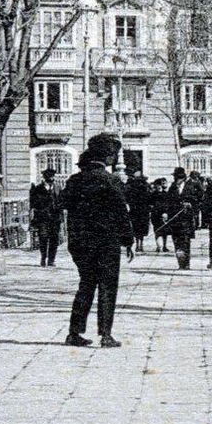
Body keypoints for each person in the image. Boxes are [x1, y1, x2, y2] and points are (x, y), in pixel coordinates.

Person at [61, 147, 134, 347]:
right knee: (107, 287)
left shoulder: (74, 181)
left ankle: (74, 332)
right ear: (105, 158)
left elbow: (63, 203)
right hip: (106, 242)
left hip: (80, 242)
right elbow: (122, 213)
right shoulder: (111, 181)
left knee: (85, 285)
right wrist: (128, 240)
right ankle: (106, 334)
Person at [163, 169, 199, 269]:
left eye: (177, 177)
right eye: (175, 177)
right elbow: (168, 201)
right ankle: (180, 262)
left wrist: (190, 204)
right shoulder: (172, 187)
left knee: (186, 240)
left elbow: (198, 199)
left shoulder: (191, 187)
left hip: (186, 218)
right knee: (176, 240)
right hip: (175, 218)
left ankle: (186, 263)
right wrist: (165, 212)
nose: (175, 179)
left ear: (182, 178)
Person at [29, 168, 63, 266]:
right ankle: (43, 258)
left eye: (52, 176)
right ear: (44, 177)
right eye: (48, 176)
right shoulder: (38, 188)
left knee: (54, 239)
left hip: (55, 218)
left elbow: (61, 201)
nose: (51, 178)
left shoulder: (58, 188)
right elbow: (34, 203)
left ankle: (51, 260)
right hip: (42, 218)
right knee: (43, 238)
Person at [125, 171, 151, 254]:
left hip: (135, 210)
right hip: (143, 210)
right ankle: (141, 245)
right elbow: (149, 197)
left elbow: (128, 197)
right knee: (142, 228)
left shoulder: (131, 186)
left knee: (136, 228)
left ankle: (137, 245)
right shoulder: (146, 186)